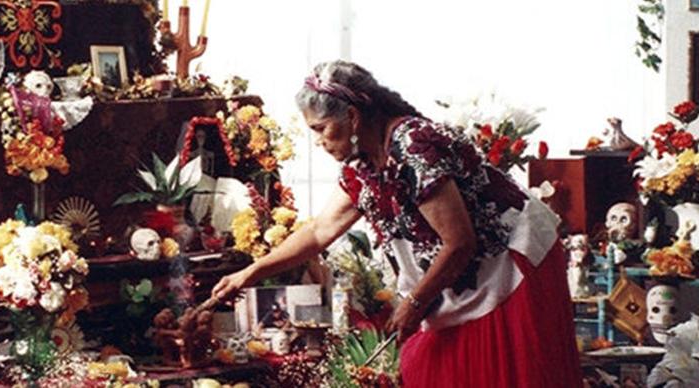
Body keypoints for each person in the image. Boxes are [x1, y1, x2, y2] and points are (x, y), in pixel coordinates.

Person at [209, 61, 579, 387]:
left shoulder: (413, 145)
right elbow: (320, 231)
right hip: (465, 275)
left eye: (321, 128)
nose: (319, 142)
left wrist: (415, 302)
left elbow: (459, 243)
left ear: (353, 117)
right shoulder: (362, 165)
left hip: (509, 268)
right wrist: (251, 272)